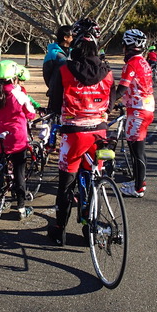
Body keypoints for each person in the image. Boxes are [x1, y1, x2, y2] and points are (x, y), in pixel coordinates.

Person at [47, 18, 116, 246]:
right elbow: (110, 104)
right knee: (92, 177)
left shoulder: (64, 69)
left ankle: (59, 229)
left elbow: (55, 105)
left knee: (66, 183)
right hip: (99, 134)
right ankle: (90, 226)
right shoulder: (108, 72)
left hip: (74, 134)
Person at [0, 59, 37, 220]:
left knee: (0, 168)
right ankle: (21, 207)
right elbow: (31, 113)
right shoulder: (18, 94)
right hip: (18, 138)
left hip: (1, 136)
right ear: (14, 77)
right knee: (19, 172)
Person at [116, 29, 155, 198]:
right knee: (138, 149)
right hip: (144, 108)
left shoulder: (132, 63)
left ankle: (138, 188)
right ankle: (138, 180)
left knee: (136, 150)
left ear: (128, 45)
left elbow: (121, 90)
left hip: (138, 111)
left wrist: (106, 103)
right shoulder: (143, 61)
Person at [42, 25, 73, 90]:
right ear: (65, 37)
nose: (74, 38)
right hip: (56, 92)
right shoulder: (53, 54)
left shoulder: (74, 52)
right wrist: (53, 88)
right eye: (72, 36)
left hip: (71, 91)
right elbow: (47, 74)